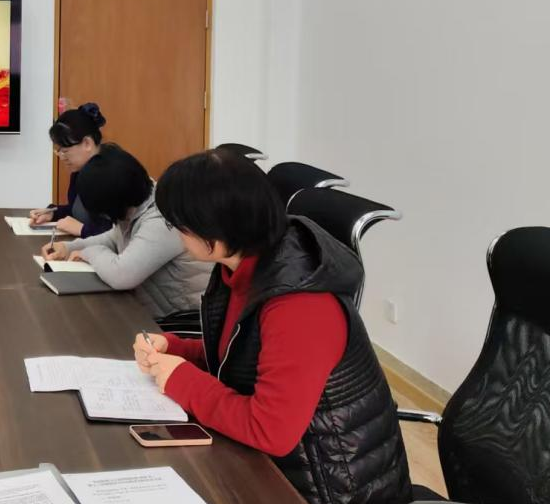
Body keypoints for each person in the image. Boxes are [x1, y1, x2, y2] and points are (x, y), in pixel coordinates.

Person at [132, 149, 411, 504]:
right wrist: (176, 348)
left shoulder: (300, 305)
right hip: (283, 466)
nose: (177, 237)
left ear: (213, 228)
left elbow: (271, 431)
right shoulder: (245, 266)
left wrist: (181, 379)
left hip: (331, 488)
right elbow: (244, 356)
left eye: (179, 227)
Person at [41, 143, 210, 315]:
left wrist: (89, 252)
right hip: (152, 310)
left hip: (181, 319)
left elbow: (122, 275)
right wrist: (69, 248)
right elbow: (114, 237)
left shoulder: (162, 219)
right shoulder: (139, 200)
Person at [28, 103, 108, 238]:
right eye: (58, 151)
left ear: (87, 143)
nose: (62, 157)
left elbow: (117, 233)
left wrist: (82, 230)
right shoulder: (79, 171)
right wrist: (53, 213)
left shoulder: (110, 175)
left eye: (65, 151)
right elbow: (77, 211)